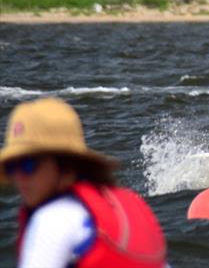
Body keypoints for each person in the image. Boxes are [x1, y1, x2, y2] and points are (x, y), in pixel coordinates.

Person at [1, 96, 168, 268]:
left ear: (65, 162)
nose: (19, 177)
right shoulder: (131, 206)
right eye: (12, 166)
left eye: (29, 165)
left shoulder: (53, 219)